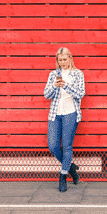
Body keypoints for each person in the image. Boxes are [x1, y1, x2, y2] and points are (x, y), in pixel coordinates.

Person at [44, 47, 85, 192]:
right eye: (60, 60)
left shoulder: (78, 74)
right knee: (53, 146)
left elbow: (80, 93)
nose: (62, 62)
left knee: (67, 146)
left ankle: (63, 176)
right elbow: (46, 94)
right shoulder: (53, 74)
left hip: (71, 113)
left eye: (65, 59)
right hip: (55, 113)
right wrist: (55, 86)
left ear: (70, 58)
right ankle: (71, 168)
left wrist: (65, 86)